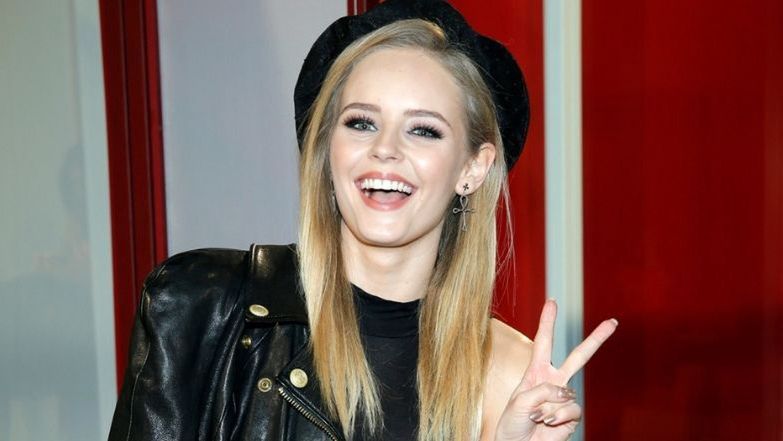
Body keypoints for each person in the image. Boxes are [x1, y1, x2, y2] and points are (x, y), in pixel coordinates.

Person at [108, 1, 617, 440]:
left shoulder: (508, 372)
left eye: (424, 130)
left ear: (472, 169)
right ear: (327, 150)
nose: (385, 149)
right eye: (361, 123)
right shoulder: (202, 307)